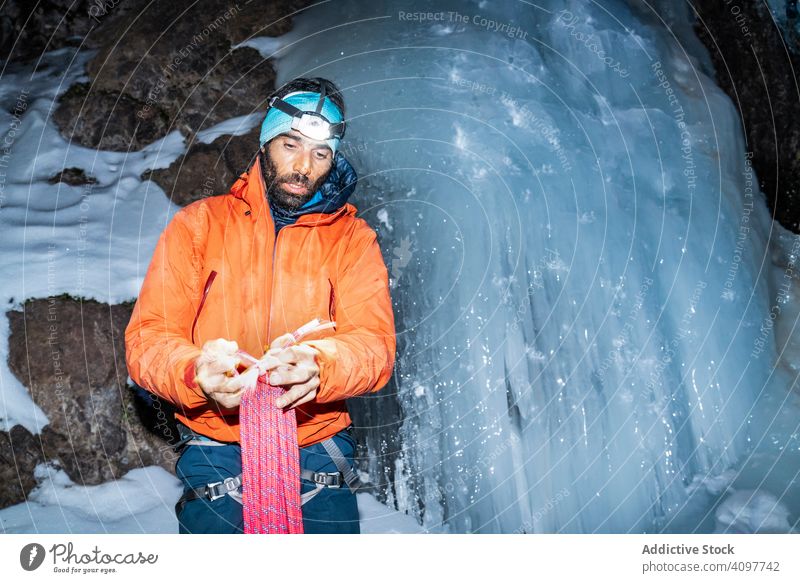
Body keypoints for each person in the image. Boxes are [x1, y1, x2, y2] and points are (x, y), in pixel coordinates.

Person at [124, 77, 396, 534]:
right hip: (215, 439)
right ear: (266, 140)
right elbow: (148, 337)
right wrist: (196, 373)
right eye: (291, 144)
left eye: (320, 152)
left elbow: (375, 346)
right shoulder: (199, 226)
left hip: (317, 439)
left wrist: (321, 365)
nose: (303, 165)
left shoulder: (352, 241)